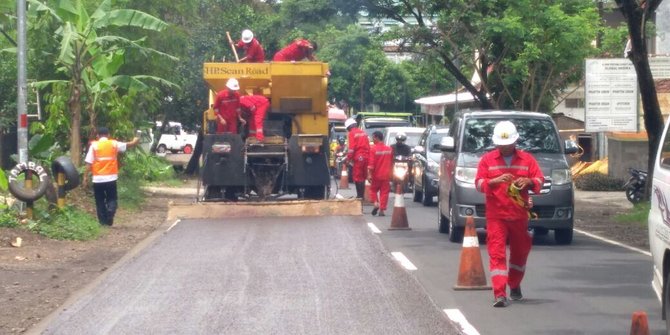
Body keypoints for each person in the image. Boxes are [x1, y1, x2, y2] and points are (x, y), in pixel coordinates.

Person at [474, 121, 544, 308]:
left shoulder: (527, 160)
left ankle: (514, 285)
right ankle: (500, 294)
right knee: (496, 254)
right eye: (500, 144)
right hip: (496, 216)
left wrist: (528, 182)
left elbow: (539, 180)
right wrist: (494, 181)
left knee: (520, 253)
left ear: (515, 142)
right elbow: (479, 184)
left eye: (507, 144)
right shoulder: (487, 160)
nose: (504, 147)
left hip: (519, 215)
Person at [84, 127, 140, 226]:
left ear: (97, 136)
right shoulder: (114, 144)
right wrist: (136, 140)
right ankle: (110, 211)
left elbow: (88, 163)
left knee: (99, 201)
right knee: (112, 198)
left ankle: (103, 222)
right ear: (108, 135)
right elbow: (130, 144)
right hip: (111, 178)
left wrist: (85, 177)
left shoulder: (94, 146)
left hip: (98, 179)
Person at [367, 131, 393, 216]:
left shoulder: (373, 149)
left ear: (377, 138)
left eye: (373, 137)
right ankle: (382, 210)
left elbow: (371, 164)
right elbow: (392, 162)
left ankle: (375, 203)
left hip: (376, 175)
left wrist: (369, 174)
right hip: (386, 175)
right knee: (384, 193)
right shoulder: (389, 149)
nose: (372, 139)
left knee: (373, 190)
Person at [344, 118, 370, 199]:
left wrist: (348, 159)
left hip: (359, 157)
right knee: (364, 176)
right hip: (366, 156)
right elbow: (368, 146)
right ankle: (362, 196)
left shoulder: (352, 133)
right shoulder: (363, 132)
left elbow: (352, 148)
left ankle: (360, 196)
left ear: (349, 127)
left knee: (358, 177)